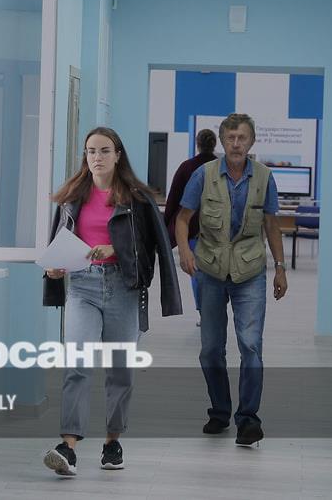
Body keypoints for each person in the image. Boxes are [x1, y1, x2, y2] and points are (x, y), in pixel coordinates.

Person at [41, 126, 182, 476]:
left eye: (104, 151)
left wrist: (114, 249)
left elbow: (154, 248)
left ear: (118, 155)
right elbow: (59, 242)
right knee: (77, 364)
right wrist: (55, 268)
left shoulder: (136, 199)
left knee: (120, 371)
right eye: (91, 151)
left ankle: (112, 442)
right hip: (83, 288)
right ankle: (68, 446)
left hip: (124, 288)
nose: (97, 158)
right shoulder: (73, 196)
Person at [174, 113, 288, 447]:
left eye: (242, 138)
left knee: (250, 345)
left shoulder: (264, 177)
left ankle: (248, 419)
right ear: (222, 141)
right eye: (231, 138)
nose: (236, 144)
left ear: (251, 141)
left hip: (250, 272)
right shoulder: (204, 175)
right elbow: (183, 218)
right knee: (211, 349)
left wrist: (280, 267)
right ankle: (220, 410)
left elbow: (271, 224)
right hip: (210, 270)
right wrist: (185, 251)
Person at [163, 128, 219, 325]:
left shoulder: (187, 167)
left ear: (197, 144)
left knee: (197, 273)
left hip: (193, 230)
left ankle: (204, 312)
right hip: (217, 230)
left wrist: (166, 227)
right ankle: (213, 311)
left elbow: (173, 198)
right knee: (217, 274)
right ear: (215, 144)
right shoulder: (222, 167)